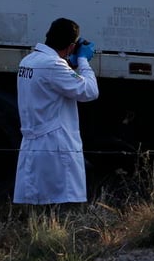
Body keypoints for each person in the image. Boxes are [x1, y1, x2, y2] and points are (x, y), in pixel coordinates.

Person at [13, 18, 99, 206]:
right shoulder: (53, 65)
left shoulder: (28, 61)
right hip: (55, 144)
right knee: (60, 202)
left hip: (34, 141)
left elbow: (53, 85)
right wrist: (83, 61)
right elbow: (90, 91)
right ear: (70, 46)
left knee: (36, 201)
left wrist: (69, 63)